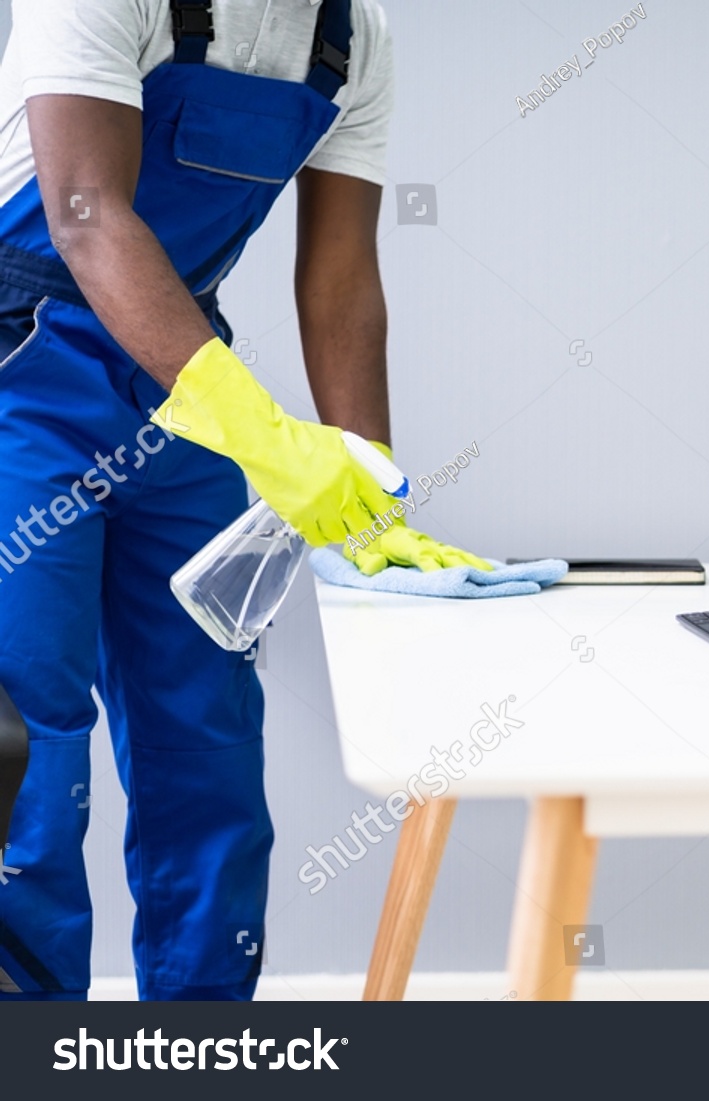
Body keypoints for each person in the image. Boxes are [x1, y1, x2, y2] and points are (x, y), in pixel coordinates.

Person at [0, 0, 484, 1001]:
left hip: (179, 378)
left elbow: (342, 274)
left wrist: (369, 483)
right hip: (23, 368)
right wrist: (266, 439)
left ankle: (205, 1037)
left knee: (207, 736)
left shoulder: (353, 39)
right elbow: (85, 214)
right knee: (27, 746)